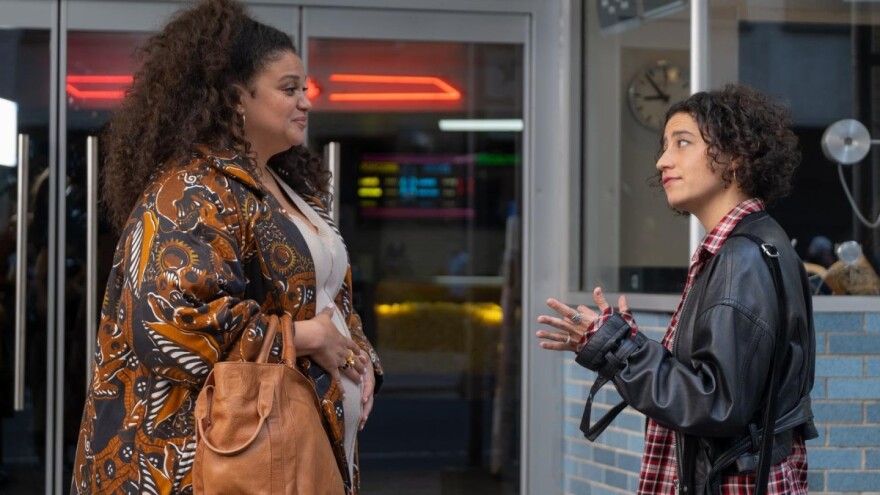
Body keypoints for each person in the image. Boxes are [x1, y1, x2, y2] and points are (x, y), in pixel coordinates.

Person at [71, 1, 382, 493]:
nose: (305, 101)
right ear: (238, 97)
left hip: (285, 450)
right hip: (197, 462)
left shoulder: (289, 189)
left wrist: (357, 354)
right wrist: (304, 339)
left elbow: (324, 299)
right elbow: (166, 322)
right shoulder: (190, 189)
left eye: (305, 88)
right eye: (288, 89)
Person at [536, 84, 816, 494]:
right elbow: (717, 382)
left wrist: (617, 349)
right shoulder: (751, 243)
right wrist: (625, 341)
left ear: (735, 156)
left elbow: (716, 403)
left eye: (682, 143)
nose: (663, 161)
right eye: (664, 146)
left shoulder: (741, 256)